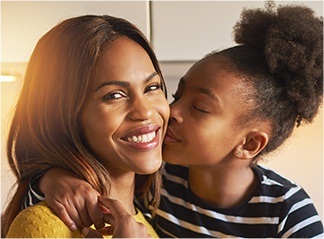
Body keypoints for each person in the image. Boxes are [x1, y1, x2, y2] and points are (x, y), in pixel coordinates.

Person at [19, 3, 324, 238]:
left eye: (200, 108)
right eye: (176, 95)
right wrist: (52, 179)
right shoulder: (160, 180)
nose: (168, 111)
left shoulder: (287, 212)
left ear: (249, 143)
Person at [1, 14, 170, 238]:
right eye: (114, 95)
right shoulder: (43, 226)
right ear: (62, 117)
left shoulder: (147, 220)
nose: (146, 111)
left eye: (151, 87)